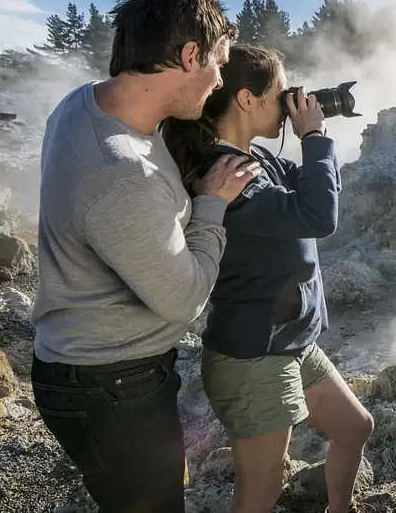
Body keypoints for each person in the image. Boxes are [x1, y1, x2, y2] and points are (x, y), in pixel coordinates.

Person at [29, 0, 263, 513]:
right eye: (218, 65)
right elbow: (184, 299)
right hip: (110, 384)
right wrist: (211, 204)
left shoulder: (85, 102)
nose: (219, 82)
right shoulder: (121, 174)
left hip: (89, 371)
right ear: (188, 57)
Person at [160, 44, 374, 513]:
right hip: (255, 357)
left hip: (292, 343)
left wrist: (314, 133)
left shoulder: (257, 158)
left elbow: (318, 184)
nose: (287, 101)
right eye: (280, 92)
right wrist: (313, 135)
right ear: (246, 99)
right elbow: (318, 215)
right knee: (259, 494)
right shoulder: (228, 172)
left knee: (356, 427)